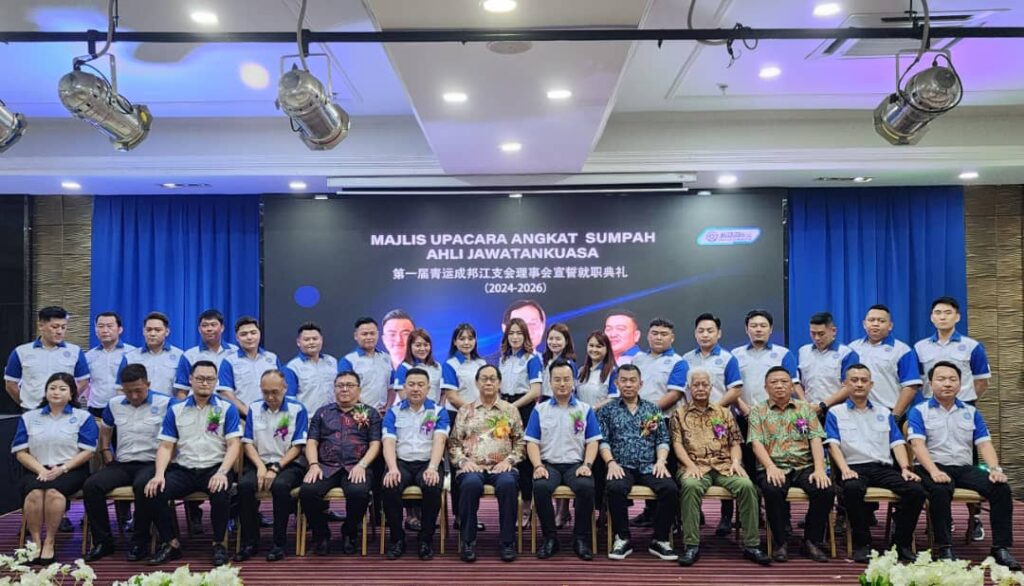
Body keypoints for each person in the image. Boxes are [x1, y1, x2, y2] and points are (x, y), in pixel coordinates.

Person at [908, 361, 1020, 569]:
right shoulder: (919, 411)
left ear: (960, 384)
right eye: (941, 379)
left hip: (963, 467)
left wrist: (995, 470)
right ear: (930, 383)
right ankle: (944, 547)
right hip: (931, 466)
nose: (947, 384)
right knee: (940, 489)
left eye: (953, 379)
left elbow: (984, 443)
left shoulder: (971, 411)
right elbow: (917, 445)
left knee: (1001, 488)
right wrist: (933, 471)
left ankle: (1000, 548)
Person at [143, 360, 242, 567]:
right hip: (184, 468)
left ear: (216, 381)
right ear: (190, 379)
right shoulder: (176, 409)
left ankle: (218, 544)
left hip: (215, 467)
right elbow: (166, 446)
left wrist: (223, 471)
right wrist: (159, 474)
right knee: (155, 490)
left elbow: (234, 444)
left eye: (210, 379)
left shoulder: (227, 408)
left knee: (221, 492)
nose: (205, 383)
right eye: (200, 378)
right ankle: (171, 543)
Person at [824, 363, 924, 564]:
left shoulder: (884, 412)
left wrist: (905, 468)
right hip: (853, 467)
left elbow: (897, 443)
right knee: (852, 489)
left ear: (871, 384)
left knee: (916, 490)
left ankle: (901, 544)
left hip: (882, 468)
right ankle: (862, 544)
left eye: (864, 380)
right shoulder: (836, 413)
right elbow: (833, 445)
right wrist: (844, 469)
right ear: (845, 384)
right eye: (854, 380)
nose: (859, 384)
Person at [671, 367, 770, 567]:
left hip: (725, 465)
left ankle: (752, 545)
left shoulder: (724, 413)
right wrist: (689, 465)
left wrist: (736, 462)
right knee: (690, 486)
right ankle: (691, 545)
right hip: (694, 466)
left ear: (711, 387)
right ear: (689, 388)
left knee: (746, 486)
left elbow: (735, 443)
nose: (700, 388)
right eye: (696, 385)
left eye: (704, 384)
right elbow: (677, 445)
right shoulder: (679, 414)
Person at [82, 364, 172, 563]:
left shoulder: (165, 403)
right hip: (123, 463)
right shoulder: (114, 404)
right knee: (91, 486)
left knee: (144, 486)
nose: (134, 396)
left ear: (148, 384)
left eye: (138, 390)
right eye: (128, 391)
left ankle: (140, 541)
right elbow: (106, 428)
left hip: (151, 463)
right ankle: (103, 541)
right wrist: (105, 450)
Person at [11, 372, 98, 564]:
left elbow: (88, 451)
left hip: (71, 469)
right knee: (34, 493)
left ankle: (50, 541)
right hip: (36, 469)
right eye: (52, 388)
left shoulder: (82, 417)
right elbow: (20, 452)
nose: (56, 392)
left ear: (71, 394)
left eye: (62, 389)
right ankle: (35, 543)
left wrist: (62, 469)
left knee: (53, 493)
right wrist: (40, 470)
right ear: (45, 392)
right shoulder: (29, 417)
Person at [748, 366, 832, 563]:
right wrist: (770, 467)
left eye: (784, 382)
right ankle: (781, 541)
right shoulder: (758, 411)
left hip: (804, 466)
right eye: (774, 382)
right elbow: (756, 443)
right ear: (765, 387)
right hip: (773, 465)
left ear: (792, 386)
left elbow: (815, 439)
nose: (779, 386)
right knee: (772, 489)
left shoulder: (805, 409)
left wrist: (820, 469)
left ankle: (811, 540)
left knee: (825, 489)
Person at [598, 364, 678, 562]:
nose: (628, 384)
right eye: (623, 380)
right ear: (617, 383)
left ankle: (660, 539)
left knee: (670, 488)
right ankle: (622, 537)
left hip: (649, 465)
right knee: (615, 488)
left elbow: (662, 440)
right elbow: (603, 441)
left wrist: (661, 461)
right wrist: (611, 462)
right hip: (620, 465)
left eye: (632, 380)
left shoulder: (652, 409)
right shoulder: (607, 410)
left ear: (640, 384)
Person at [448, 364, 525, 563]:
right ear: (476, 383)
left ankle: (507, 542)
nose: (488, 382)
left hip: (503, 466)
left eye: (493, 378)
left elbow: (520, 442)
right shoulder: (465, 411)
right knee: (470, 484)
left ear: (499, 383)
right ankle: (467, 541)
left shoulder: (510, 410)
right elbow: (454, 443)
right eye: (484, 378)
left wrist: (509, 460)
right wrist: (463, 461)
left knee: (508, 484)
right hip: (472, 467)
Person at [300, 371, 381, 556]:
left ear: (359, 390)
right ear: (334, 389)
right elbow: (312, 441)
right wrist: (313, 464)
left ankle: (349, 533)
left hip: (357, 465)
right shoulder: (322, 413)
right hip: (326, 466)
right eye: (340, 385)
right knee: (308, 491)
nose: (344, 389)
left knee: (358, 492)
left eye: (350, 385)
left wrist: (363, 465)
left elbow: (375, 444)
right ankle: (322, 535)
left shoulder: (370, 413)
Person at [526, 359, 600, 561]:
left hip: (575, 465)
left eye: (566, 379)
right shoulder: (540, 409)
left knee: (586, 486)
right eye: (557, 379)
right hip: (548, 464)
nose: (562, 384)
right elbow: (531, 442)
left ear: (574, 381)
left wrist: (587, 465)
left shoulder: (585, 409)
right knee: (540, 487)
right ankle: (550, 538)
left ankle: (580, 538)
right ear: (549, 382)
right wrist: (538, 466)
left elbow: (593, 441)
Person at [235, 369, 308, 562]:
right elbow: (248, 442)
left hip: (288, 463)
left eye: (274, 392)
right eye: (265, 392)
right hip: (259, 462)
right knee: (244, 486)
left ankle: (279, 543)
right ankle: (250, 542)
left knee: (280, 486)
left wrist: (276, 468)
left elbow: (298, 446)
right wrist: (260, 467)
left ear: (285, 388)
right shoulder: (254, 408)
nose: (270, 397)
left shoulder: (297, 409)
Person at [681, 313, 743, 537]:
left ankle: (726, 517)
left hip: (719, 418)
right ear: (695, 333)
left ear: (719, 333)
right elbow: (683, 389)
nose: (705, 334)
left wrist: (713, 409)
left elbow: (735, 389)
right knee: (695, 462)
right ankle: (695, 513)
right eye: (701, 331)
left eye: (710, 331)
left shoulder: (727, 358)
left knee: (724, 461)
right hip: (691, 420)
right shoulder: (686, 358)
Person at [381, 368, 448, 560]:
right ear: (404, 387)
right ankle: (397, 538)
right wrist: (392, 468)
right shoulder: (393, 412)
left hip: (428, 461)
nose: (416, 389)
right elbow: (388, 441)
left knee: (432, 485)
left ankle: (425, 539)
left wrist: (433, 468)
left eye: (420, 385)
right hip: (401, 462)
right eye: (411, 384)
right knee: (389, 485)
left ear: (428, 388)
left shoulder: (438, 411)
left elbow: (440, 441)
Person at [628, 317, 687, 529]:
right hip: (636, 421)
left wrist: (647, 413)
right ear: (647, 335)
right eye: (654, 333)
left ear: (672, 337)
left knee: (666, 468)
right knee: (646, 466)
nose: (658, 337)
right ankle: (650, 511)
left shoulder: (678, 361)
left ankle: (673, 518)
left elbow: (675, 393)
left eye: (663, 334)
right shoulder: (637, 359)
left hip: (665, 421)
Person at [440, 323, 488, 532]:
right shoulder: (450, 364)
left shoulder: (482, 363)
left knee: (475, 467)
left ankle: (472, 514)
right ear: (455, 341)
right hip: (457, 417)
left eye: (470, 338)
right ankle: (460, 516)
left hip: (481, 419)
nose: (466, 342)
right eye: (462, 338)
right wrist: (472, 412)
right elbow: (451, 396)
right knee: (459, 467)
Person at [497, 317, 543, 528]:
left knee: (524, 459)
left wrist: (513, 407)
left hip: (523, 409)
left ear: (525, 336)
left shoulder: (531, 359)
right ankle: (509, 507)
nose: (515, 337)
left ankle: (526, 506)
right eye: (511, 333)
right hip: (504, 408)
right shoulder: (503, 360)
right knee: (506, 454)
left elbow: (536, 391)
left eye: (519, 333)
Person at [5, 306, 90, 413]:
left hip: (64, 411)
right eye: (55, 327)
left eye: (63, 327)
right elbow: (11, 384)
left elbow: (84, 381)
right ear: (41, 326)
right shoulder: (21, 351)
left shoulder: (75, 351)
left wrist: (68, 398)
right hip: (31, 410)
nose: (60, 331)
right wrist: (25, 402)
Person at [847, 304, 922, 420]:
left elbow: (910, 387)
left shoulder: (902, 350)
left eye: (881, 321)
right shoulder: (852, 348)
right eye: (871, 320)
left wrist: (895, 417)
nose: (875, 324)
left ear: (890, 325)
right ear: (864, 324)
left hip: (889, 413)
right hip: (855, 413)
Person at [914, 297, 990, 403]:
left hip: (963, 403)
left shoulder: (972, 346)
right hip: (930, 405)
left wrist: (967, 403)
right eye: (938, 313)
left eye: (948, 313)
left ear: (957, 317)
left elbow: (982, 381)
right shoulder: (920, 347)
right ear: (932, 318)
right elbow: (916, 381)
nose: (942, 317)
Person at [798, 312, 860, 420]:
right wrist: (804, 404)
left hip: (836, 412)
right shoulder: (803, 351)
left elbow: (849, 386)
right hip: (808, 412)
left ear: (833, 331)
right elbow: (797, 382)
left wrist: (822, 405)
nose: (817, 338)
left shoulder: (846, 353)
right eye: (813, 333)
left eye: (821, 334)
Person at [217, 316, 282, 418]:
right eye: (244, 334)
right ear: (237, 338)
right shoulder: (229, 361)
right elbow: (225, 393)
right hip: (242, 418)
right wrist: (247, 412)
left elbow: (281, 386)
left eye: (253, 333)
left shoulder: (272, 358)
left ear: (259, 334)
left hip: (272, 416)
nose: (249, 337)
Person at [173, 309, 238, 400]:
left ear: (222, 328)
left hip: (229, 406)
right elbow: (182, 391)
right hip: (198, 406)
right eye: (205, 325)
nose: (209, 329)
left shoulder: (235, 352)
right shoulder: (189, 355)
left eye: (213, 325)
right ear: (199, 329)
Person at [118, 312, 183, 397]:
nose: (152, 334)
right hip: (138, 404)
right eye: (148, 330)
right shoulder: (130, 357)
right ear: (143, 331)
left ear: (167, 332)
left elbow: (183, 389)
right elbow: (120, 388)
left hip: (169, 404)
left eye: (157, 330)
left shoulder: (180, 356)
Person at [84, 311, 135, 418]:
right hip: (96, 409)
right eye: (101, 326)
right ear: (96, 330)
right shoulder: (89, 356)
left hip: (125, 408)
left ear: (120, 329)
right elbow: (83, 382)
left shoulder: (133, 353)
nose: (105, 330)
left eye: (110, 326)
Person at [338, 317, 394, 414]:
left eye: (372, 333)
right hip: (357, 415)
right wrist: (368, 413)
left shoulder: (386, 358)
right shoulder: (348, 361)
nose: (369, 337)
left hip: (382, 415)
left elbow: (391, 387)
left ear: (378, 334)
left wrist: (387, 408)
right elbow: (346, 391)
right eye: (364, 334)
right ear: (356, 336)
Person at [283, 322, 338, 414]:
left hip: (333, 417)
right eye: (307, 339)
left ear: (321, 340)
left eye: (315, 339)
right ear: (298, 342)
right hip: (308, 419)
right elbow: (290, 400)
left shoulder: (332, 362)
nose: (311, 342)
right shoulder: (292, 367)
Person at [393, 329, 443, 404]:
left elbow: (443, 392)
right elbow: (404, 398)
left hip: (435, 410)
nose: (422, 349)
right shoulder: (404, 368)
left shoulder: (437, 366)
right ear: (410, 347)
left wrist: (439, 408)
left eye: (426, 345)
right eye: (418, 345)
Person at [575, 331, 618, 410]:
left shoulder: (613, 371)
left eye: (598, 346)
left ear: (607, 349)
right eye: (591, 346)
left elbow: (613, 398)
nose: (594, 349)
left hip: (601, 416)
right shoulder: (581, 371)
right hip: (580, 416)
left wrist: (592, 409)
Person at [540, 323, 578, 398]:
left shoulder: (569, 364)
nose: (554, 342)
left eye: (558, 339)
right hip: (543, 401)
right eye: (551, 339)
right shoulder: (543, 360)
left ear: (566, 341)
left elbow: (572, 391)